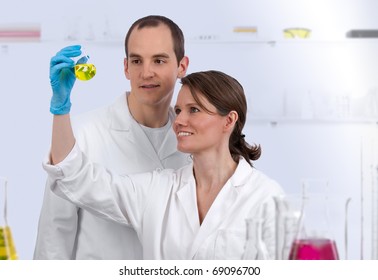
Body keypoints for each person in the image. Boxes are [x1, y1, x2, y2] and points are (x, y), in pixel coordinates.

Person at [43, 70, 284, 259]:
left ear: (229, 120)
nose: (179, 120)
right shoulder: (158, 190)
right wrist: (61, 110)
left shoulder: (265, 197)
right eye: (178, 110)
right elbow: (76, 178)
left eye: (194, 110)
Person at [34, 15, 190, 259]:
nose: (146, 72)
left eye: (159, 60)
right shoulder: (81, 133)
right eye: (137, 61)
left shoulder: (194, 142)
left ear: (182, 66)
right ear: (126, 67)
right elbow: (53, 238)